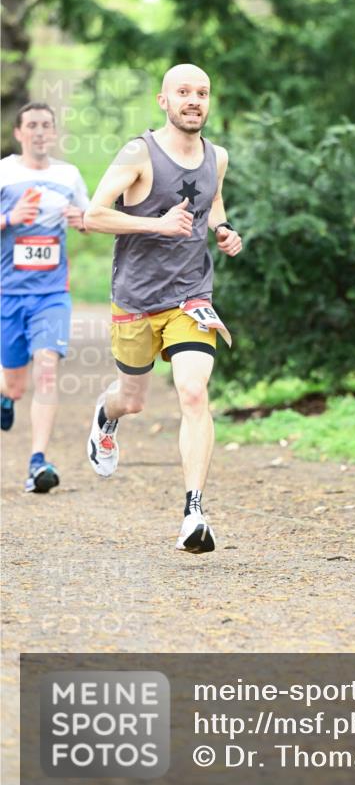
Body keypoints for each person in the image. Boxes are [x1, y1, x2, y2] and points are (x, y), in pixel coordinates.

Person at [83, 63, 242, 554]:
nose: (194, 100)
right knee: (133, 399)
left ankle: (194, 511)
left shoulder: (217, 156)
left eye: (202, 92)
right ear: (164, 101)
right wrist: (155, 225)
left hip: (190, 296)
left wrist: (222, 229)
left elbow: (212, 203)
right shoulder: (139, 152)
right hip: (135, 298)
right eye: (183, 92)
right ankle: (106, 418)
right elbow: (92, 216)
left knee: (193, 392)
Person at [0, 102, 89, 492]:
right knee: (16, 385)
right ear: (19, 133)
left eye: (46, 125)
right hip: (8, 293)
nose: (39, 132)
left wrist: (80, 219)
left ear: (54, 133)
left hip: (52, 293)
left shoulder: (68, 175)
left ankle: (38, 463)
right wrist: (9, 219)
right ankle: (5, 396)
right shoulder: (4, 172)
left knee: (47, 367)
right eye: (32, 125)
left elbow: (90, 219)